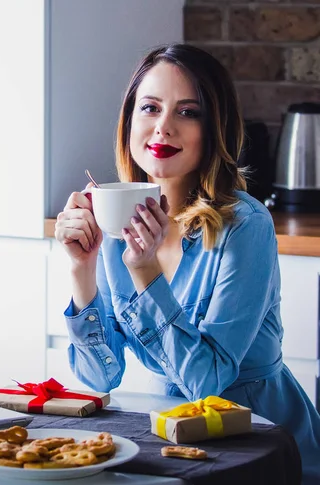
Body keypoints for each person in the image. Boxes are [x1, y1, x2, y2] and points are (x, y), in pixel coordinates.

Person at [54, 43, 320, 483]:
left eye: (187, 112)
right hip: (169, 439)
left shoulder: (245, 226)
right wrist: (81, 271)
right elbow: (99, 376)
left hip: (262, 445)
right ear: (129, 122)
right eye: (151, 108)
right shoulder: (117, 215)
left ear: (214, 129)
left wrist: (145, 272)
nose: (163, 128)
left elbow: (207, 383)